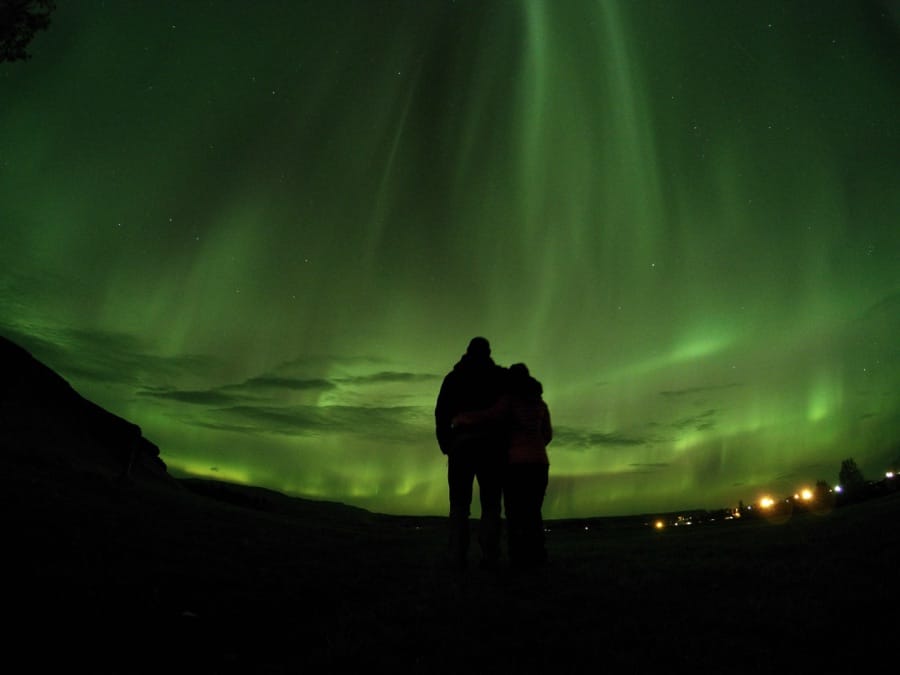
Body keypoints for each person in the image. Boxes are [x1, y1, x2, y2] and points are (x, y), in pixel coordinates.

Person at [453, 363, 552, 569]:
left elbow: (489, 416)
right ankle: (537, 558)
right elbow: (547, 435)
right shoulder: (541, 405)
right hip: (540, 463)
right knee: (534, 512)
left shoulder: (509, 401)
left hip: (515, 464)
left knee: (514, 513)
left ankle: (518, 560)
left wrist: (463, 418)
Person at [434, 337, 508, 570]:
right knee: (491, 504)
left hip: (461, 447)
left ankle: (457, 556)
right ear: (488, 352)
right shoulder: (499, 378)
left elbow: (441, 414)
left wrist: (447, 444)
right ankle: (490, 556)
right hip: (492, 449)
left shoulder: (454, 379)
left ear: (467, 352)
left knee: (458, 505)